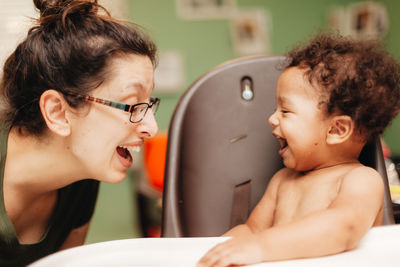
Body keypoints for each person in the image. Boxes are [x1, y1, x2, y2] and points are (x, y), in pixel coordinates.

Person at [198, 32, 400, 267]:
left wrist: (261, 247)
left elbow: (343, 227)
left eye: (285, 111)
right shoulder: (282, 181)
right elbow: (252, 230)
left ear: (336, 130)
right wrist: (219, 250)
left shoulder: (361, 179)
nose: (272, 119)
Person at [0, 0, 159, 265]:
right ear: (57, 112)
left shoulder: (82, 177)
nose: (151, 129)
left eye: (148, 104)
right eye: (132, 105)